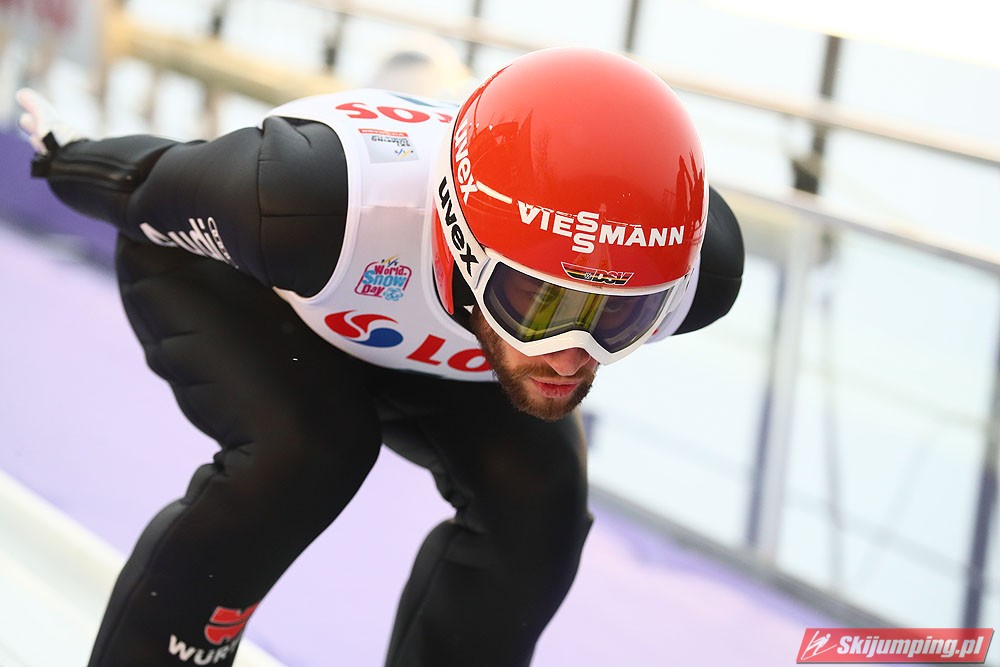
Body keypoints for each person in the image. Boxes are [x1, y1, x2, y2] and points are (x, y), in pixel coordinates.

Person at [16, 46, 744, 667]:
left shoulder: (698, 278)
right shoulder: (308, 201)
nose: (567, 357)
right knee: (306, 454)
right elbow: (146, 186)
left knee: (540, 505)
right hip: (262, 286)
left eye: (619, 316)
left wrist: (536, 313)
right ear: (460, 242)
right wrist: (66, 156)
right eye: (541, 303)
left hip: (448, 328)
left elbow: (571, 312)